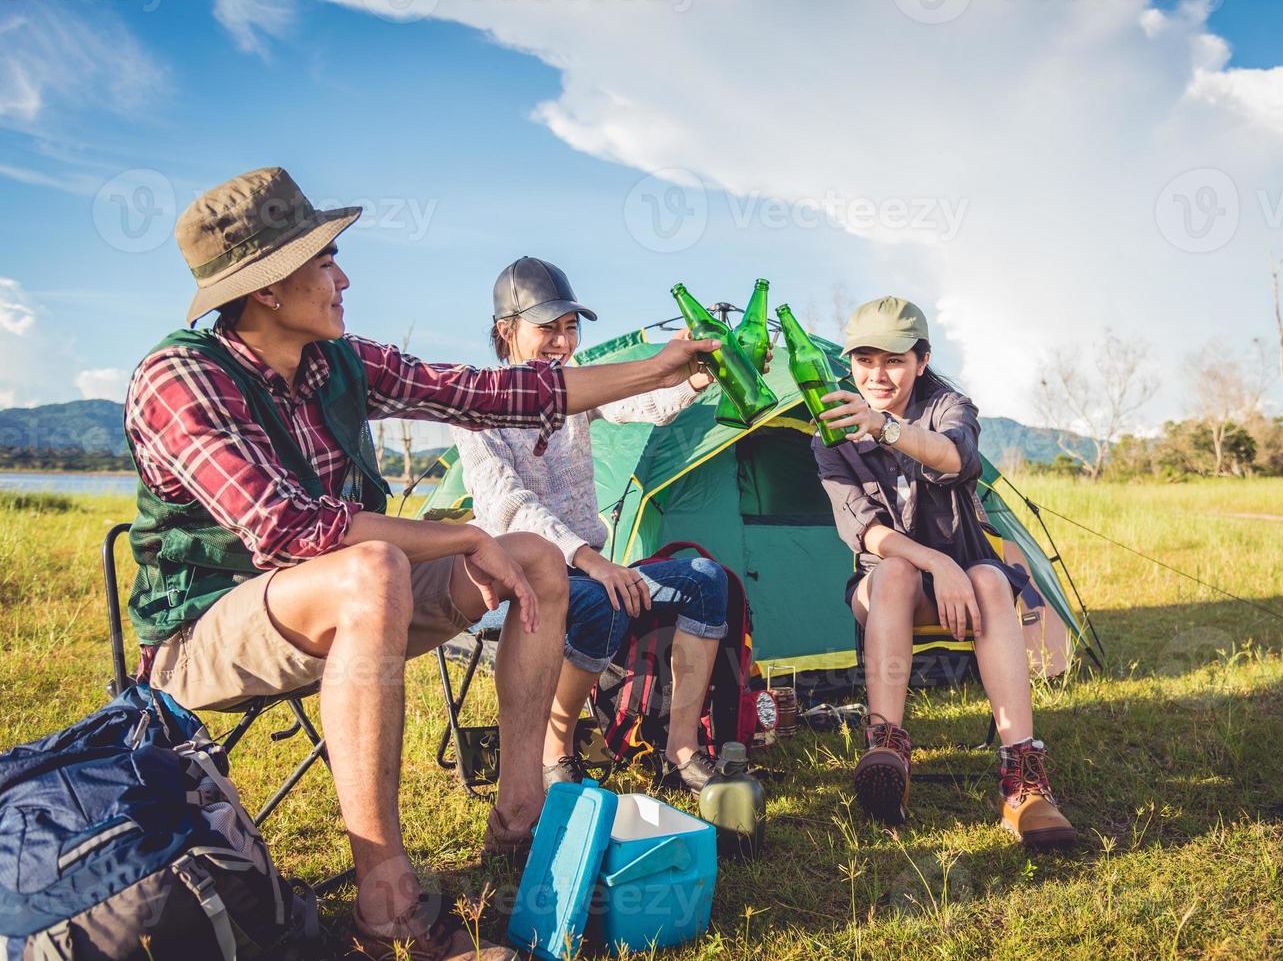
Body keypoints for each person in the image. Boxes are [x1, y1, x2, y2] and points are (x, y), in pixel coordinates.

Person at [123, 169, 719, 960]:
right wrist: (464, 536)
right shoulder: (182, 376)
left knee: (538, 558)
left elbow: (485, 392)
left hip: (354, 600)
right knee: (373, 566)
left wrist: (663, 367)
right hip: (207, 635)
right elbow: (287, 526)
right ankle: (388, 905)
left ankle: (519, 816)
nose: (344, 277)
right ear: (268, 286)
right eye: (325, 260)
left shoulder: (335, 361)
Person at [452, 257, 731, 793]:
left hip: (588, 569)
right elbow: (509, 505)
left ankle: (682, 747)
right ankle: (554, 752)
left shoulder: (571, 393)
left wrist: (699, 374)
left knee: (705, 580)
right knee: (600, 599)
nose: (562, 342)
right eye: (547, 329)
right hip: (516, 575)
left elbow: (643, 402)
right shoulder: (478, 406)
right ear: (505, 332)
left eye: (569, 328)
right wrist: (590, 558)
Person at [812, 296, 1077, 848]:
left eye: (894, 361)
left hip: (967, 582)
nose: (876, 375)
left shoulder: (950, 407)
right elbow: (862, 531)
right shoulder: (828, 434)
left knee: (988, 577)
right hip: (890, 588)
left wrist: (883, 428)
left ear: (922, 361)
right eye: (864, 360)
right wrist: (935, 561)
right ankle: (885, 746)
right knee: (894, 573)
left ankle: (1022, 779)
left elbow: (956, 459)